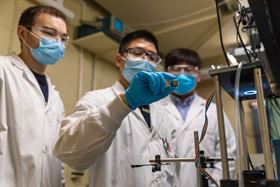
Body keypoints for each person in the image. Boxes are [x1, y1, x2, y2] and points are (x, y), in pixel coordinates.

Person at [54, 30, 178, 187]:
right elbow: (70, 154)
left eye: (152, 57)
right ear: (120, 60)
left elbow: (170, 169)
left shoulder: (163, 112)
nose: (145, 60)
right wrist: (125, 102)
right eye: (137, 53)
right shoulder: (96, 99)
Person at [0, 5, 68, 187]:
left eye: (63, 38)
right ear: (23, 33)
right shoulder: (3, 71)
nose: (57, 43)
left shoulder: (55, 98)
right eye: (49, 33)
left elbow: (55, 154)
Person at [159, 48, 236, 186]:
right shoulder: (155, 108)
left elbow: (228, 154)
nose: (182, 74)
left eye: (189, 69)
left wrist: (214, 183)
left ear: (198, 75)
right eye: (176, 69)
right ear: (166, 74)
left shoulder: (213, 111)